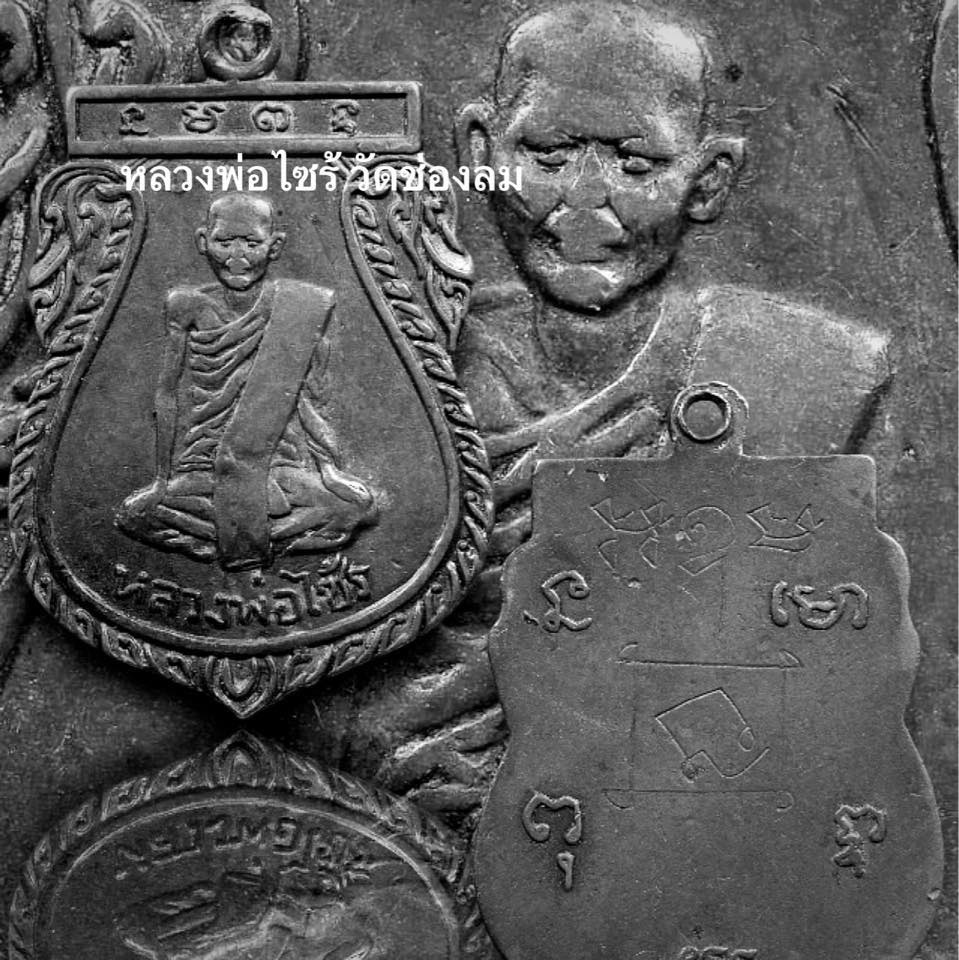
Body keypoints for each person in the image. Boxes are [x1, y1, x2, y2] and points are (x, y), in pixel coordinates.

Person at [455, 0, 891, 581]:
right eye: (550, 156)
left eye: (636, 165)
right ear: (481, 153)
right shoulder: (412, 365)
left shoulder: (816, 373)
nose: (584, 200)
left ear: (708, 181)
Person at [116, 193, 376, 571]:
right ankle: (251, 537)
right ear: (203, 241)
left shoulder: (301, 306)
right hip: (206, 465)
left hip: (279, 462)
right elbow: (168, 393)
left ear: (275, 246)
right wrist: (160, 479)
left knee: (360, 507)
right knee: (134, 514)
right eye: (225, 242)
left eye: (252, 243)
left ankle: (241, 539)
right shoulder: (186, 305)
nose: (237, 256)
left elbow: (308, 399)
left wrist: (329, 471)